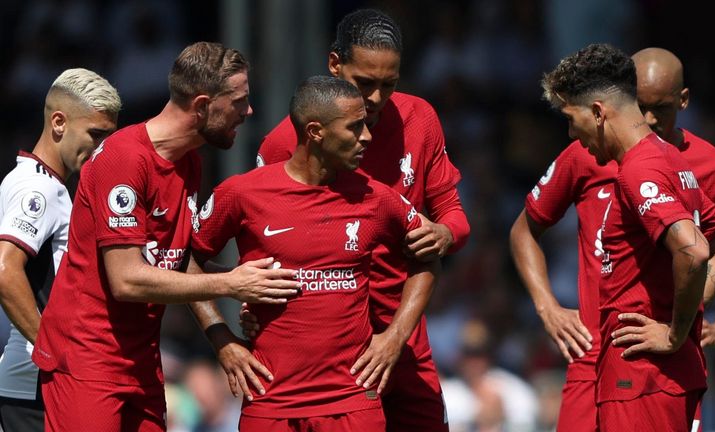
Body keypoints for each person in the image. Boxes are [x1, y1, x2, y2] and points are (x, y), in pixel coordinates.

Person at [30, 42, 301, 431]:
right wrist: (230, 283)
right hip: (86, 361)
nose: (248, 111)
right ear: (203, 105)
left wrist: (227, 321)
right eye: (239, 101)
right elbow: (125, 279)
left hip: (141, 360)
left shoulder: (188, 162)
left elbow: (178, 257)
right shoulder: (125, 158)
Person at [250, 9, 469, 431]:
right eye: (364, 83)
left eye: (388, 85)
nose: (375, 99)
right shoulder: (283, 143)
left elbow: (454, 217)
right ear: (335, 65)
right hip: (325, 353)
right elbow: (261, 246)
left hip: (402, 336)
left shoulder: (418, 119)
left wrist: (444, 233)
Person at [509, 46, 715, 431]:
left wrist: (674, 332)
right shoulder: (670, 158)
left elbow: (693, 250)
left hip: (640, 375)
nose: (572, 133)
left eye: (572, 120)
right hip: (647, 375)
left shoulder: (639, 170)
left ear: (599, 112)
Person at [189, 75, 437, 431]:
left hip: (352, 401)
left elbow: (427, 259)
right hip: (270, 399)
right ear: (316, 132)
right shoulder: (242, 194)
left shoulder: (377, 198)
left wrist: (396, 336)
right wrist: (222, 339)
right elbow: (186, 258)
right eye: (354, 128)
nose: (367, 136)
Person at [0, 68, 121, 432]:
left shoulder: (50, 186)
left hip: (34, 384)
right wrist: (53, 352)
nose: (102, 148)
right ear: (58, 122)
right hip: (35, 386)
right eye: (95, 134)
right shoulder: (39, 190)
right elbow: (5, 272)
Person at [629, 48, 715, 346]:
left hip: (673, 350)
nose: (650, 119)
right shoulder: (596, 156)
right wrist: (548, 306)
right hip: (601, 347)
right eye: (640, 107)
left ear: (683, 100)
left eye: (661, 108)